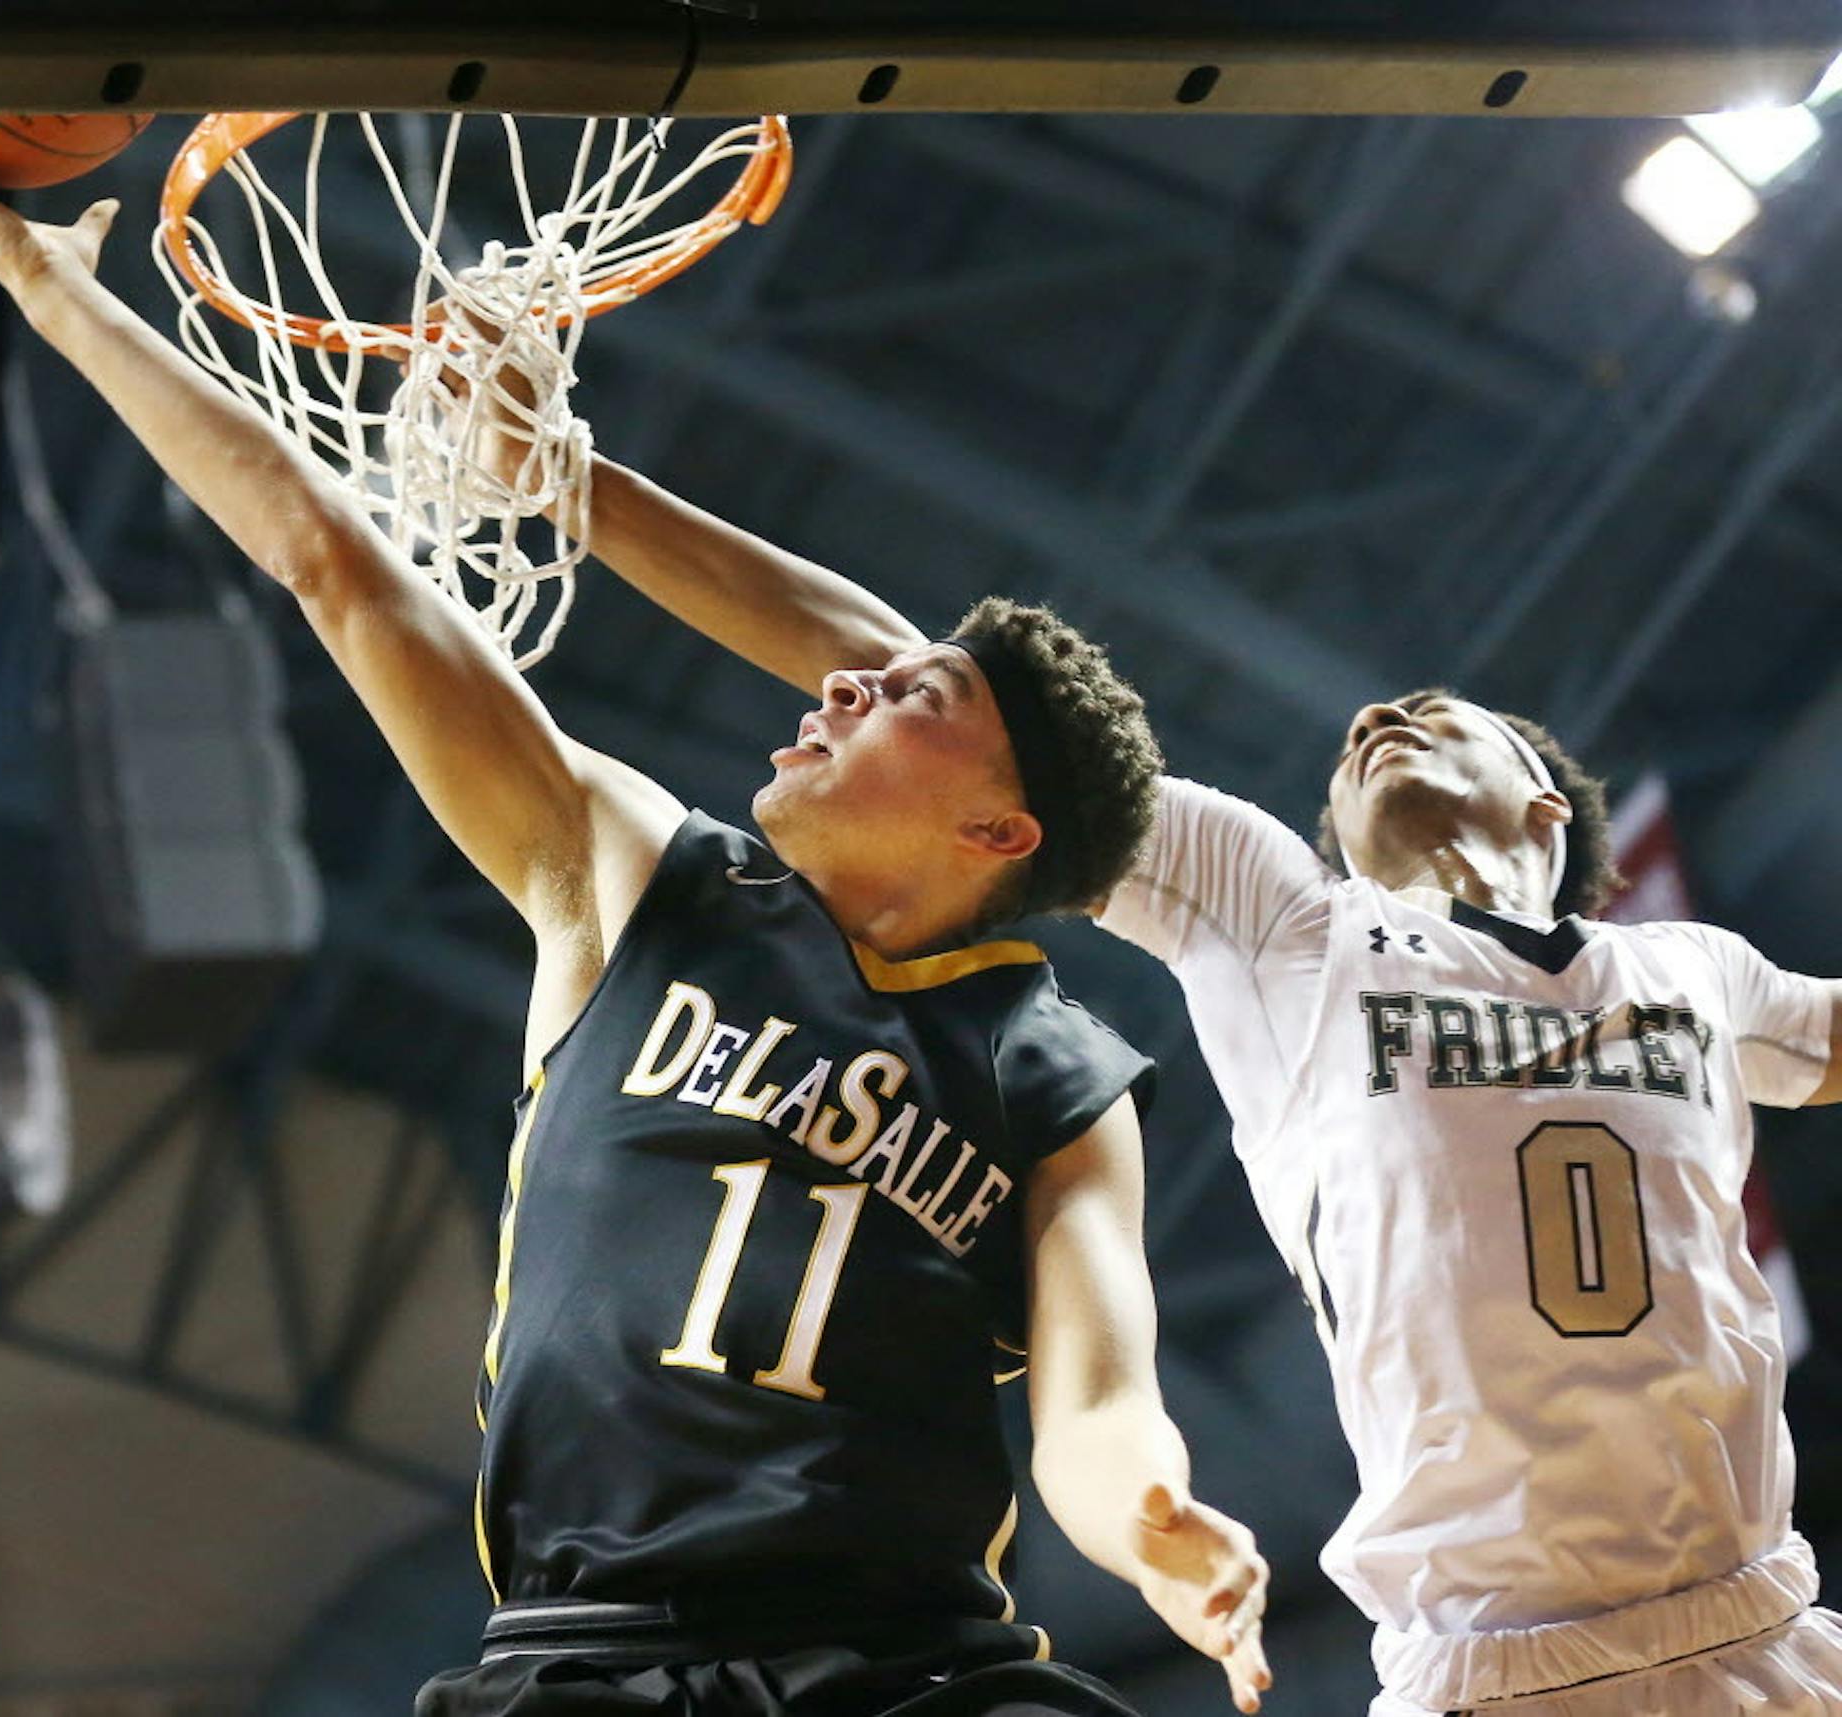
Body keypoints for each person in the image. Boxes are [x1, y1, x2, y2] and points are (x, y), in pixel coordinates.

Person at [0, 118, 1277, 1717]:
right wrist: (50, 298)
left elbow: (1099, 1399)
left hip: (913, 1666)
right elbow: (338, 564)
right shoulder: (628, 870)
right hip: (584, 1657)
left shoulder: (1056, 1073)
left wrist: (1150, 1522)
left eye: (914, 691)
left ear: (996, 832)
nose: (845, 678)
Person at [515, 426, 1842, 1715]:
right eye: (1358, 742)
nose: (1380, 712)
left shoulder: (1698, 970)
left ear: (1549, 803)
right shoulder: (1287, 920)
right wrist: (582, 486)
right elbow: (915, 684)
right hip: (1495, 1667)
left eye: (1441, 713)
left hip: (1767, 1622)